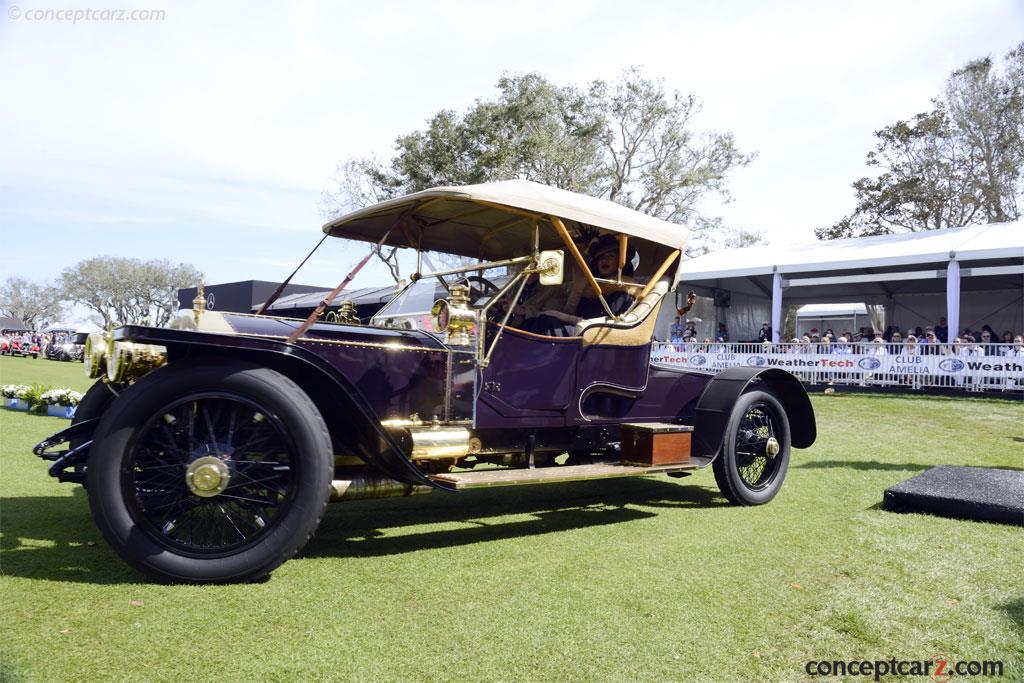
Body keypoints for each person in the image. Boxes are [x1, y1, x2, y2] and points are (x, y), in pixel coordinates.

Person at [525, 234, 635, 337]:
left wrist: (562, 317)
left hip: (595, 338)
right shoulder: (590, 288)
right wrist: (577, 290)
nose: (604, 260)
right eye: (600, 257)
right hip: (579, 333)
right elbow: (570, 312)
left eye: (610, 256)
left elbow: (607, 326)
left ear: (620, 261)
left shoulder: (624, 291)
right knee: (533, 322)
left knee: (547, 323)